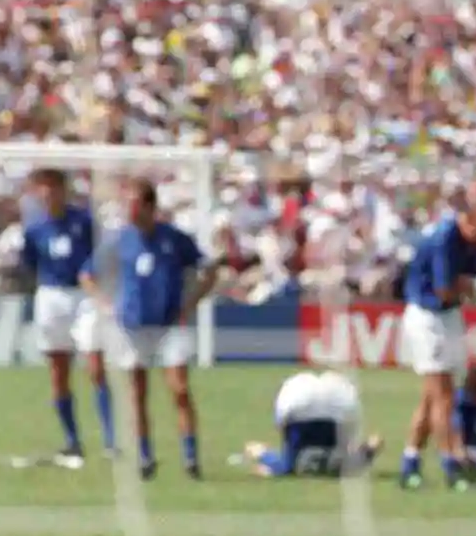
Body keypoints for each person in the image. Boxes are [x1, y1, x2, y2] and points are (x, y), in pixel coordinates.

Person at [81, 178, 217, 481]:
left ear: (149, 206)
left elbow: (209, 269)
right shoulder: (118, 240)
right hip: (132, 327)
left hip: (169, 325)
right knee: (137, 395)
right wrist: (106, 304)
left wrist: (191, 302)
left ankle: (191, 458)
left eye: (134, 203)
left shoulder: (174, 239)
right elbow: (88, 274)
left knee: (179, 389)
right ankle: (145, 456)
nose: (129, 210)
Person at [397, 188, 476, 490]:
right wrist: (466, 286)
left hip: (449, 316)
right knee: (444, 397)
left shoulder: (472, 242)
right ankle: (451, 466)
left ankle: (410, 463)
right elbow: (447, 289)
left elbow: (464, 286)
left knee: (432, 397)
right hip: (428, 317)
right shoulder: (446, 237)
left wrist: (465, 285)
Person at [22, 168, 114, 464]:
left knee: (95, 365)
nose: (48, 194)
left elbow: (100, 255)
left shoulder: (84, 222)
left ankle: (111, 441)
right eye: (43, 188)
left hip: (82, 296)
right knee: (58, 371)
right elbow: (29, 264)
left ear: (63, 189)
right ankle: (73, 441)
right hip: (50, 295)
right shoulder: (34, 229)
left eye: (53, 187)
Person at [242, 370, 382, 477]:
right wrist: (259, 454)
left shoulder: (343, 464)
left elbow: (374, 442)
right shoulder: (342, 464)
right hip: (332, 396)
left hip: (323, 396)